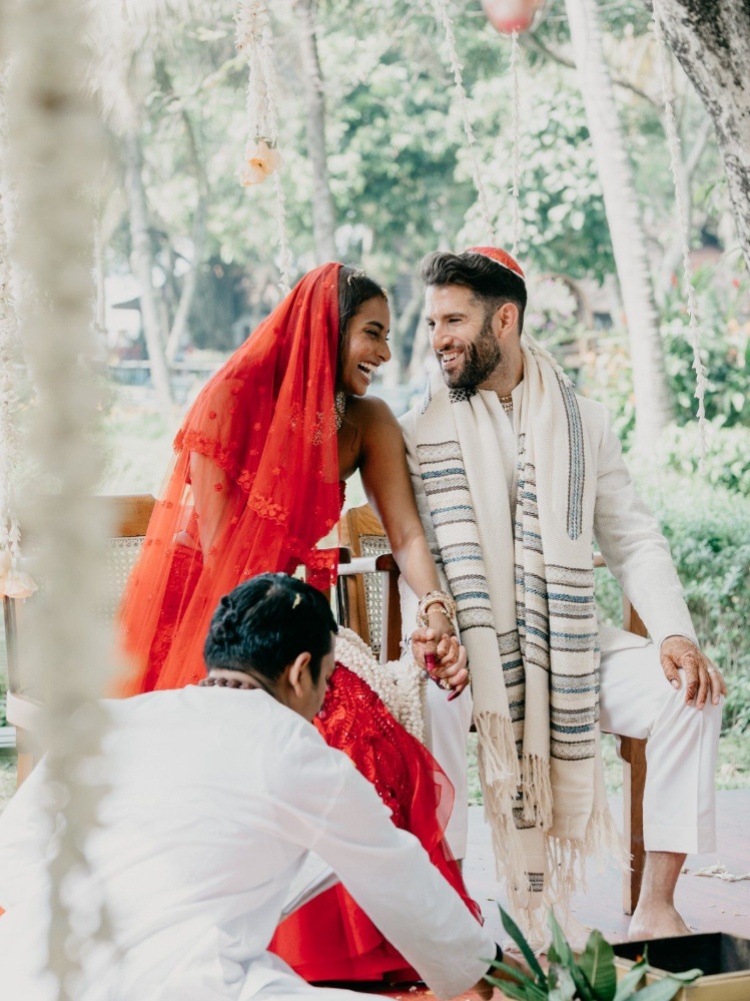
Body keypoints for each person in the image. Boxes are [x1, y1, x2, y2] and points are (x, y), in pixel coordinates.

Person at [115, 262, 471, 979]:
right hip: (236, 628)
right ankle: (293, 945)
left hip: (313, 631)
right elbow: (224, 560)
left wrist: (436, 612)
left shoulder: (367, 421)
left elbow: (404, 536)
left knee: (374, 741)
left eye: (389, 336)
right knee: (336, 735)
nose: (385, 352)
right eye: (371, 332)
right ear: (325, 329)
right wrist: (287, 655)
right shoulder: (230, 400)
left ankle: (379, 948)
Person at [399, 246, 727, 941]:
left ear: (506, 318)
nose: (438, 339)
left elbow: (634, 537)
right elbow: (409, 552)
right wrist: (436, 630)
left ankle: (657, 905)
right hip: (463, 645)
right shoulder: (421, 431)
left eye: (453, 319)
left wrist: (673, 634)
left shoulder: (584, 423)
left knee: (689, 692)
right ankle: (450, 903)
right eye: (432, 323)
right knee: (430, 699)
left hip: (570, 642)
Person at [0, 574, 517, 1001]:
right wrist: (489, 975)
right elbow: (402, 881)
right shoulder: (300, 753)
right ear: (300, 672)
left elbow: (14, 855)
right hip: (182, 983)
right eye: (328, 677)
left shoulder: (106, 721)